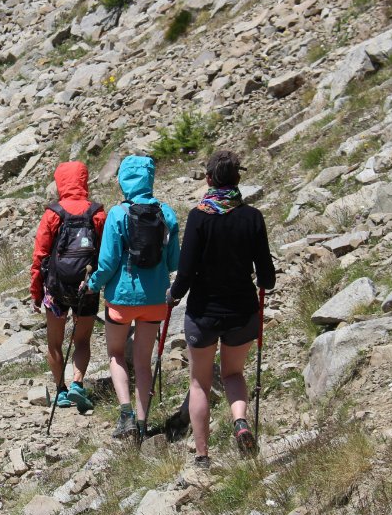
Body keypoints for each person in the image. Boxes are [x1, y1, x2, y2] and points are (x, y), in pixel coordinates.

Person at [167, 150, 275, 466]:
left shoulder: (199, 216)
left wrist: (173, 295)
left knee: (199, 382)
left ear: (209, 179)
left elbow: (186, 273)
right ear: (238, 178)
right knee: (233, 372)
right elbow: (266, 276)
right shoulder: (252, 217)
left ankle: (202, 456)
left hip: (203, 312)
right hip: (242, 310)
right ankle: (240, 421)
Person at [84, 155, 180, 439]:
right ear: (150, 179)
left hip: (121, 301)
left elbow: (108, 263)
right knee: (142, 361)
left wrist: (92, 284)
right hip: (155, 301)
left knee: (115, 354)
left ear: (123, 180)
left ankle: (125, 413)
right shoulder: (167, 213)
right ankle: (142, 423)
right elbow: (174, 262)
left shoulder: (117, 214)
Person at [31, 162, 106, 414]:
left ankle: (61, 391)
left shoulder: (52, 213)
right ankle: (77, 383)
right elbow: (106, 253)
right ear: (84, 181)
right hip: (88, 285)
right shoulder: (97, 213)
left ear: (60, 182)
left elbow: (40, 256)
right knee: (82, 339)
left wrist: (36, 292)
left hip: (56, 287)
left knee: (54, 342)